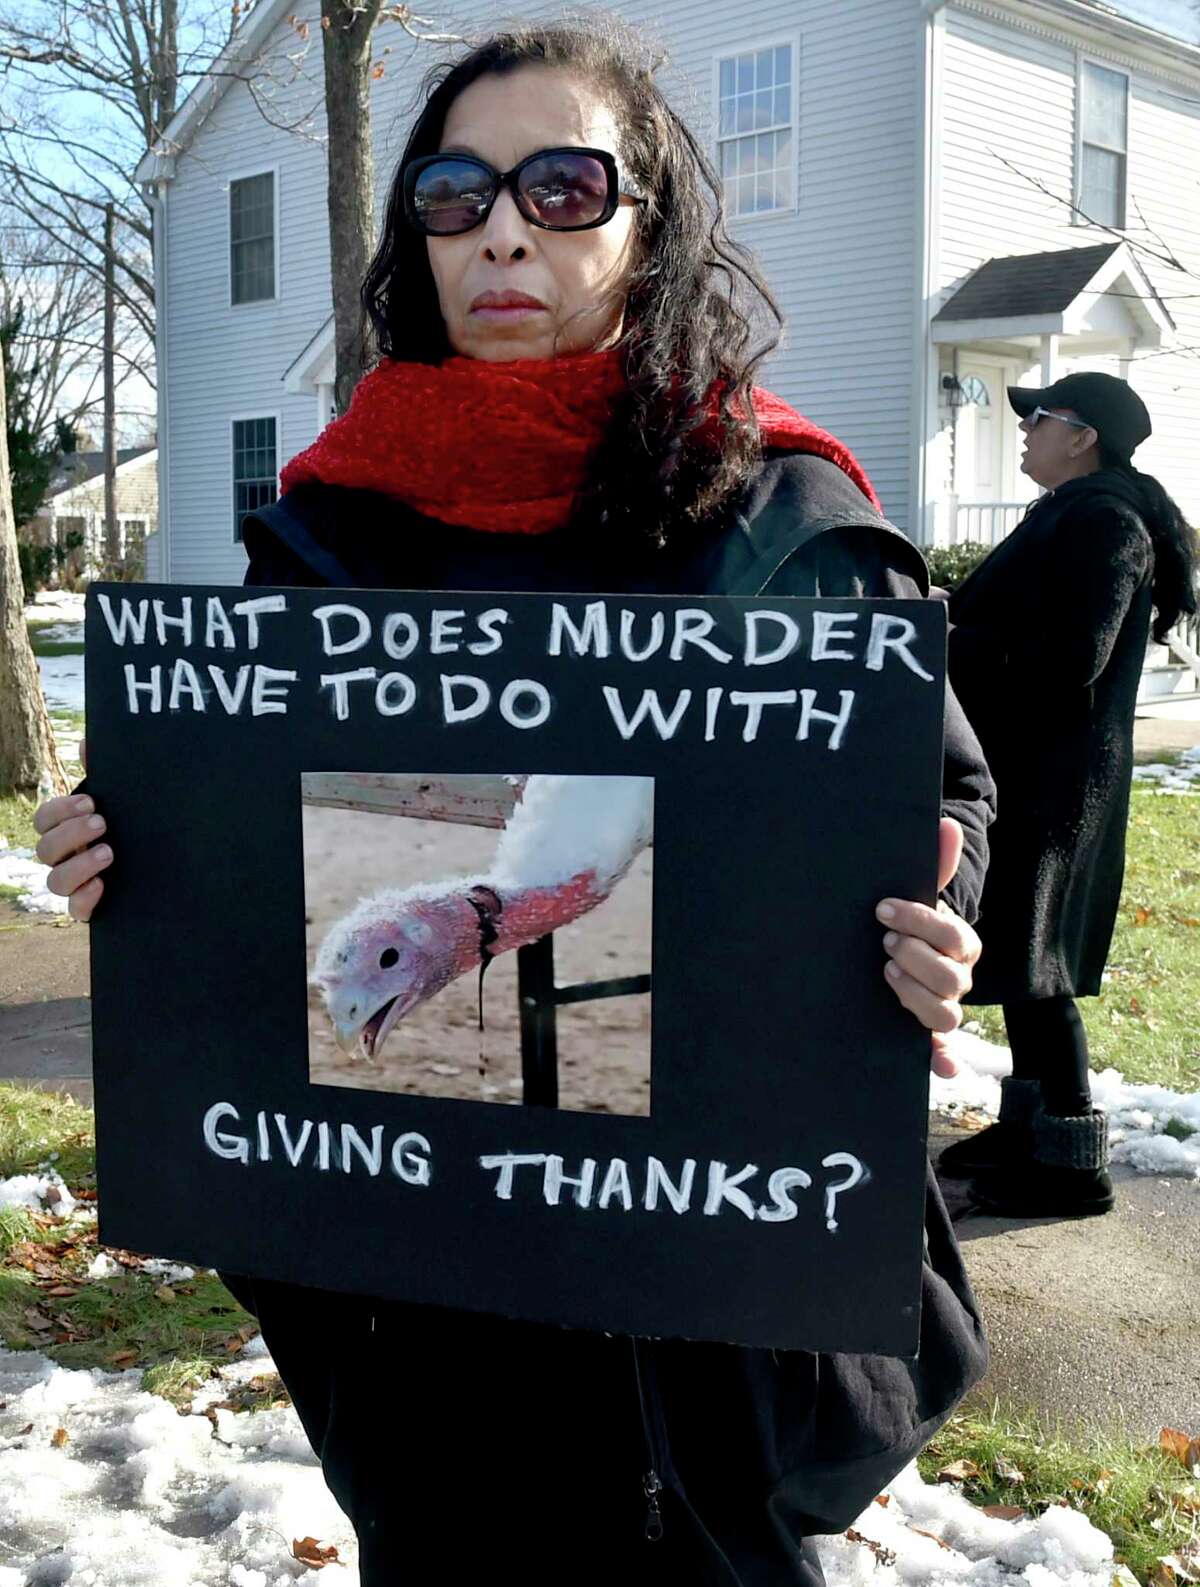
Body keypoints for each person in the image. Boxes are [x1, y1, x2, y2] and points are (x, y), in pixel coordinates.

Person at [33, 23, 995, 1584]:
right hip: (416, 1306)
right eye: (455, 189)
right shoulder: (331, 528)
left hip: (699, 1324)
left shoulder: (777, 513)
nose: (500, 229)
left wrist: (928, 909)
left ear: (648, 222)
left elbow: (941, 795)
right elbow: (248, 822)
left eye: (560, 186)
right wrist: (131, 852)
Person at [939, 371, 1197, 1220]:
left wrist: (950, 639)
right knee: (1022, 965)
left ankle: (1072, 1164)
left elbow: (1070, 660)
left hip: (1057, 788)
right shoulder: (1074, 512)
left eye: (1037, 418)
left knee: (1037, 967)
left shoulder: (1106, 523)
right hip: (1038, 775)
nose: (1024, 431)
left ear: (1082, 435)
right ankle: (1029, 1134)